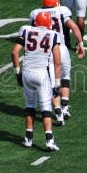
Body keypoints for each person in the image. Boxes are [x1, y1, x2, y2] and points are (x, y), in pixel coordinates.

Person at [30, 0, 85, 123]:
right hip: (62, 49)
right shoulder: (62, 10)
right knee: (65, 78)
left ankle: (59, 112)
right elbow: (74, 27)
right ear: (56, 2)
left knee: (51, 83)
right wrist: (80, 44)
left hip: (46, 51)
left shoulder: (35, 14)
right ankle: (65, 108)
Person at [11, 11, 62, 151]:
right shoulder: (53, 35)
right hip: (41, 73)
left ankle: (28, 139)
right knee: (46, 108)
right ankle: (49, 141)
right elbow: (57, 62)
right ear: (48, 23)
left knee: (29, 106)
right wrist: (57, 84)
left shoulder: (27, 31)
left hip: (27, 71)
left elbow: (15, 52)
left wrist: (17, 73)